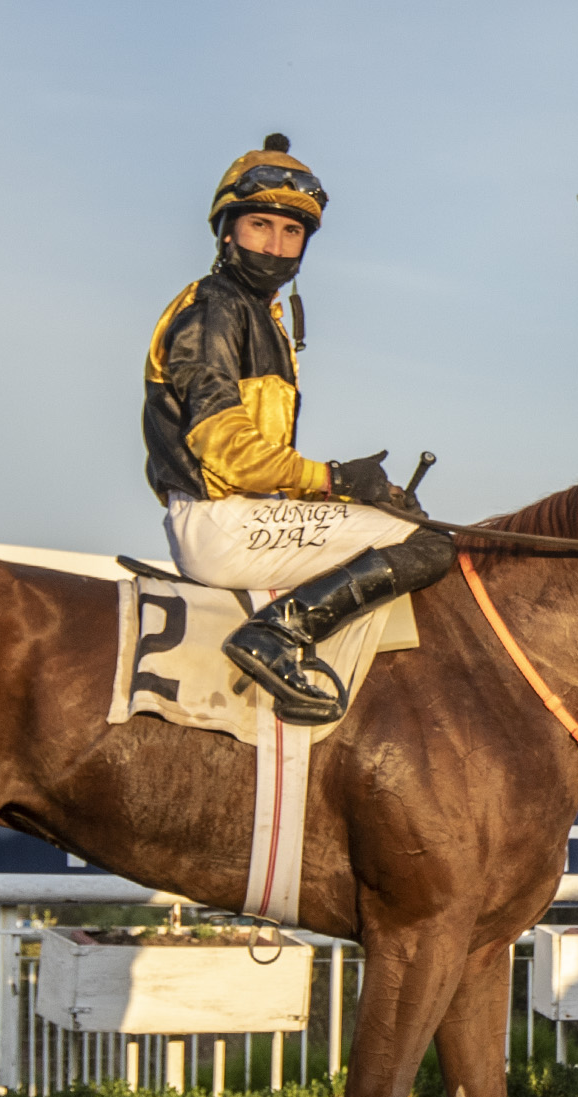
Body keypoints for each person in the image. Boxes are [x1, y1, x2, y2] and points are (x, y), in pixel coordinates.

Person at [142, 133, 453, 725]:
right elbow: (228, 453)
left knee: (408, 526)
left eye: (291, 232)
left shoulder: (262, 317)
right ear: (227, 231)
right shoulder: (214, 309)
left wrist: (358, 494)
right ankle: (274, 636)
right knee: (427, 546)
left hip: (245, 515)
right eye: (260, 225)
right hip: (219, 523)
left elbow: (266, 466)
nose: (275, 245)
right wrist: (334, 479)